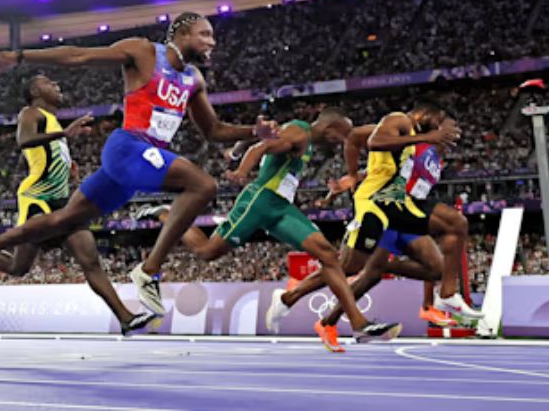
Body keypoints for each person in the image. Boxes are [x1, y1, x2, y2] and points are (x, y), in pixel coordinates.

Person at [0, 12, 279, 317]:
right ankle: (149, 271)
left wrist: (254, 132)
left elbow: (214, 130)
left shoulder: (194, 80)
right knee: (203, 185)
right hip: (128, 148)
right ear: (183, 33)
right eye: (205, 34)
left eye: (213, 36)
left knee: (63, 220)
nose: (212, 42)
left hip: (135, 169)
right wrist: (18, 56)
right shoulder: (144, 52)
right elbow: (79, 55)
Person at [137, 109, 401, 348]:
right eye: (341, 137)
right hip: (260, 201)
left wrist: (238, 150)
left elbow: (255, 138)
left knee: (328, 255)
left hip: (281, 208)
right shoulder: (298, 131)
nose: (341, 144)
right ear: (330, 128)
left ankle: (359, 324)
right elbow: (262, 147)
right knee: (207, 252)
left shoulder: (303, 138)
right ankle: (167, 214)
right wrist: (242, 170)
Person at [268, 102, 477, 348]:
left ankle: (329, 319)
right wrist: (353, 175)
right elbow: (356, 139)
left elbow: (395, 172)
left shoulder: (435, 156)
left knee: (431, 268)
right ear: (429, 118)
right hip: (381, 208)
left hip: (403, 212)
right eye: (445, 124)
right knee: (350, 267)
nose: (451, 134)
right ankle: (293, 300)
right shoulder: (406, 129)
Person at [0, 74, 158, 334]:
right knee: (19, 266)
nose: (57, 85)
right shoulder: (31, 113)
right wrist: (64, 133)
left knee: (85, 261)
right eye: (50, 82)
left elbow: (43, 155)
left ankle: (126, 318)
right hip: (38, 195)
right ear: (35, 90)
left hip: (62, 199)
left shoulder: (52, 121)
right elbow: (24, 141)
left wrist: (66, 165)